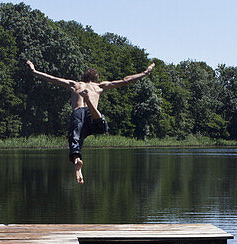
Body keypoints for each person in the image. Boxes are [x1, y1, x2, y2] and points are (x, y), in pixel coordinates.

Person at [26, 59, 154, 184]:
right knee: (101, 128)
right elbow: (125, 81)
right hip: (92, 115)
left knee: (74, 139)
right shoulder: (98, 86)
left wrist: (34, 70)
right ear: (96, 78)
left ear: (83, 77)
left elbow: (52, 78)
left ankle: (77, 160)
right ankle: (90, 103)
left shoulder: (75, 84)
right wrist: (145, 72)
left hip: (77, 113)